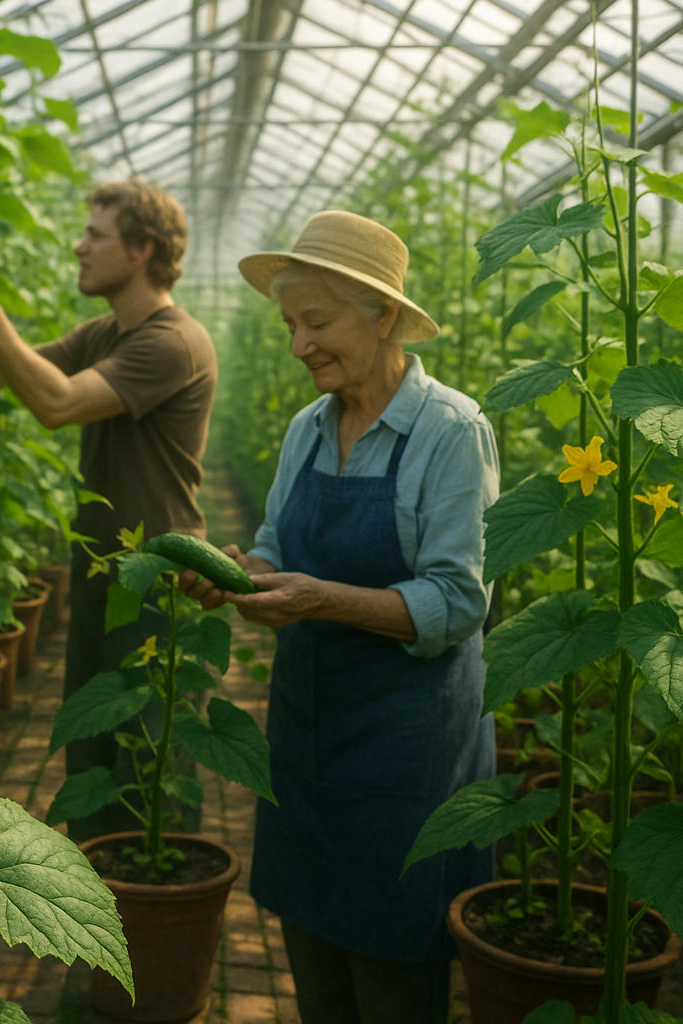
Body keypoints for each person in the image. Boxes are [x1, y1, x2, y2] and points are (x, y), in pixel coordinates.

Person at [181, 210, 497, 1024]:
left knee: (395, 973)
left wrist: (321, 598)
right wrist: (236, 576)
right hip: (309, 734)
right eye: (290, 325)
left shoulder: (450, 431)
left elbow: (459, 601)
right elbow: (274, 546)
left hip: (409, 753)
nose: (299, 346)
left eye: (316, 322)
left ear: (382, 314)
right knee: (316, 969)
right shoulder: (307, 430)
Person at [0, 180, 217, 838]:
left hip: (156, 581)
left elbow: (55, 403)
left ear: (142, 250)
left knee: (150, 758)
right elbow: (0, 373)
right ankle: (105, 899)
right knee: (95, 754)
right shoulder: (106, 333)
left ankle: (160, 902)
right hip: (100, 568)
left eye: (97, 236)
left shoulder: (172, 341)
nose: (79, 246)